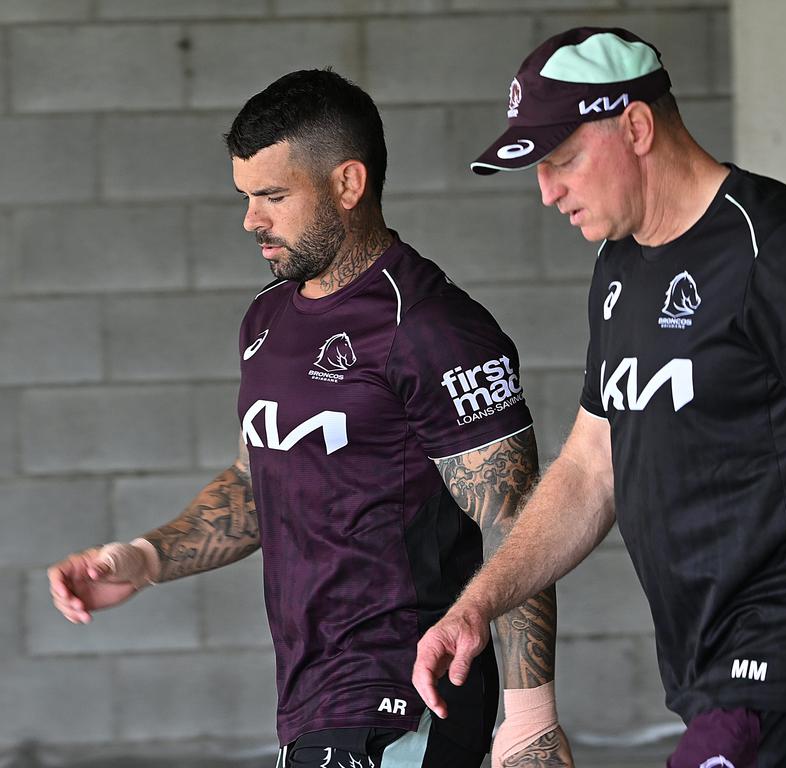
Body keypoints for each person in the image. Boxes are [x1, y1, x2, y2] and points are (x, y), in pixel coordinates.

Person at [413, 27, 786, 768]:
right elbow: (592, 468)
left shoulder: (783, 249)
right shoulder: (618, 271)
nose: (547, 191)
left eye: (561, 161)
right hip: (706, 675)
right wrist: (477, 604)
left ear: (638, 126)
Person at [47, 69, 573, 768]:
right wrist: (145, 559)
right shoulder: (266, 319)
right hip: (311, 701)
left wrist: (531, 717)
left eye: (272, 196)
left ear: (348, 185)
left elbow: (515, 518)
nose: (250, 219)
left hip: (409, 694)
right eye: (246, 196)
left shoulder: (432, 327)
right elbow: (257, 480)